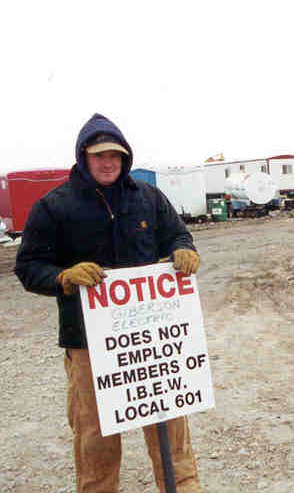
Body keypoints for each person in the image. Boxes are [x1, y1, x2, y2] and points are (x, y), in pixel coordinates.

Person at [14, 113, 203, 493]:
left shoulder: (148, 198)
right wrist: (63, 278)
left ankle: (183, 489)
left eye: (115, 156)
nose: (108, 162)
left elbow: (179, 236)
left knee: (170, 426)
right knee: (95, 434)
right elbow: (28, 266)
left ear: (125, 157)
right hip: (86, 341)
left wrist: (184, 250)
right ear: (83, 156)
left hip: (151, 339)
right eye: (100, 155)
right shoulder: (54, 206)